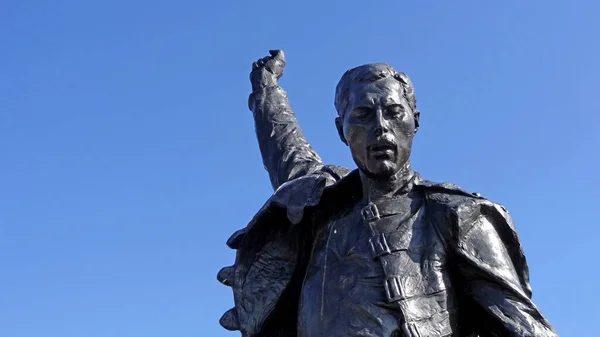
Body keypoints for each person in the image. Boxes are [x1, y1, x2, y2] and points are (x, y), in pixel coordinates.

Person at [217, 50, 558, 337]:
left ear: (415, 121)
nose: (381, 126)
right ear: (342, 129)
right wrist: (266, 90)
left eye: (394, 113)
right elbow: (285, 147)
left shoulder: (455, 216)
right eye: (363, 115)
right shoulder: (320, 205)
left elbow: (522, 325)